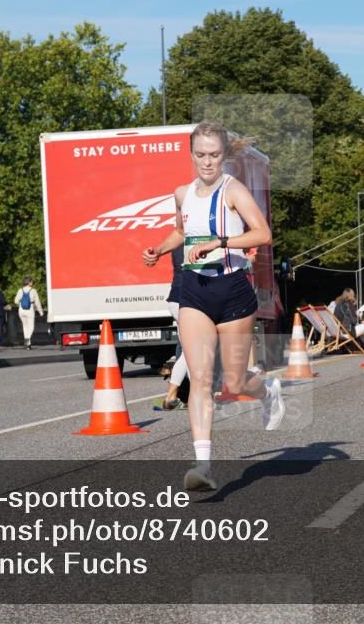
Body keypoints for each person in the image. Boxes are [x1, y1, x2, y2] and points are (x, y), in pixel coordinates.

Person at [141, 120, 284, 492]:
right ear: (191, 155)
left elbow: (263, 233)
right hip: (194, 292)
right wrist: (159, 249)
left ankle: (269, 393)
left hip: (233, 291)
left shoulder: (232, 189)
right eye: (201, 155)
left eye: (214, 155)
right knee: (201, 379)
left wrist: (220, 243)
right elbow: (181, 230)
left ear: (224, 155)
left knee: (235, 381)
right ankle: (203, 465)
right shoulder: (181, 193)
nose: (207, 162)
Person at [155, 248, 190, 411]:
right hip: (187, 301)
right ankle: (175, 395)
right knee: (191, 351)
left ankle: (173, 396)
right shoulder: (194, 240)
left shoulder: (179, 243)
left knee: (188, 351)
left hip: (178, 299)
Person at [14, 277, 44, 350]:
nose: (32, 283)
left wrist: (21, 303)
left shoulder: (20, 290)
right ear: (29, 282)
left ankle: (27, 344)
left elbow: (16, 301)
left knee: (25, 326)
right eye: (32, 282)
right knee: (31, 326)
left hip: (21, 310)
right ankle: (27, 340)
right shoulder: (33, 291)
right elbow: (37, 302)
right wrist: (40, 312)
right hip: (30, 309)